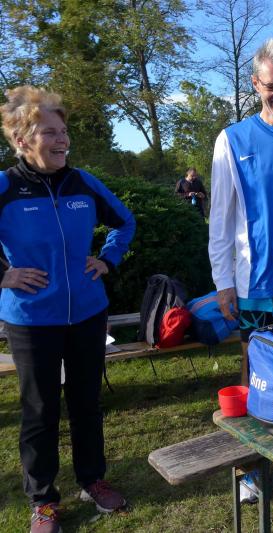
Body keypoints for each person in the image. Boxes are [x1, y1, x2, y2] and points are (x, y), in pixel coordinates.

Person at [1, 86, 136, 533]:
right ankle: (43, 501)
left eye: (64, 131)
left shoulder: (83, 183)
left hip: (88, 313)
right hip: (31, 319)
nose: (63, 140)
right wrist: (3, 275)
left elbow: (125, 222)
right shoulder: (6, 187)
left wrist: (108, 259)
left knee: (86, 403)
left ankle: (92, 480)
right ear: (22, 140)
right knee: (40, 410)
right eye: (50, 132)